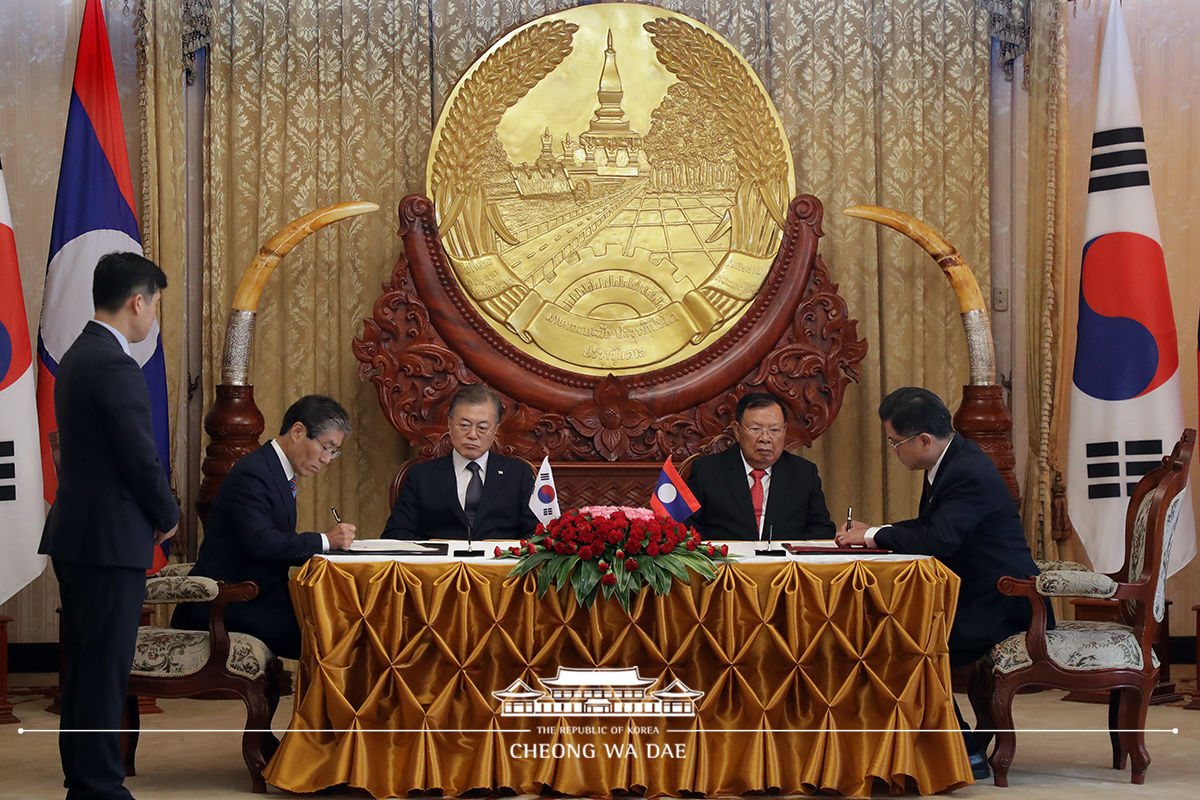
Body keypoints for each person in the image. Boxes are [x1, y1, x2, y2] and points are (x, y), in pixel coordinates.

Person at [838, 386, 1045, 779]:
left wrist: (871, 537)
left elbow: (940, 540)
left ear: (924, 440)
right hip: (979, 594)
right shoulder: (951, 461)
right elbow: (931, 527)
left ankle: (959, 749)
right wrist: (872, 531)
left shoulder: (966, 470)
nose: (894, 451)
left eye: (895, 443)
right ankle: (935, 741)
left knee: (910, 637)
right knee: (896, 625)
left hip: (1004, 603)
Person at [38, 252, 181, 800]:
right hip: (106, 541)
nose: (154, 316)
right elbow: (137, 456)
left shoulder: (79, 353)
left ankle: (84, 779)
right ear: (137, 301)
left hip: (79, 534)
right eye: (157, 303)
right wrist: (167, 515)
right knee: (102, 670)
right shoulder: (114, 363)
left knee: (84, 668)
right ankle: (99, 786)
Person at [172, 395, 356, 658]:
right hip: (233, 604)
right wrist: (325, 541)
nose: (327, 459)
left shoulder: (275, 470)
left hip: (261, 598)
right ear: (298, 431)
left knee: (349, 622)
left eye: (333, 452)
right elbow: (260, 542)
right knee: (338, 635)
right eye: (326, 447)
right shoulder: (254, 472)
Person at [383, 384, 536, 540]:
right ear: (450, 424)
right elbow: (396, 535)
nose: (472, 435)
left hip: (500, 562)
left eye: (482, 427)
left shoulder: (518, 474)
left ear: (495, 429)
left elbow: (536, 536)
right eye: (464, 425)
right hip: (441, 563)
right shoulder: (422, 476)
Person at [684, 392, 835, 541]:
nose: (765, 438)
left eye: (774, 430)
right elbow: (690, 529)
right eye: (755, 429)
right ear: (737, 430)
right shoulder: (707, 472)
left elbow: (822, 530)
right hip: (726, 563)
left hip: (785, 564)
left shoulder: (804, 474)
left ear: (784, 430)